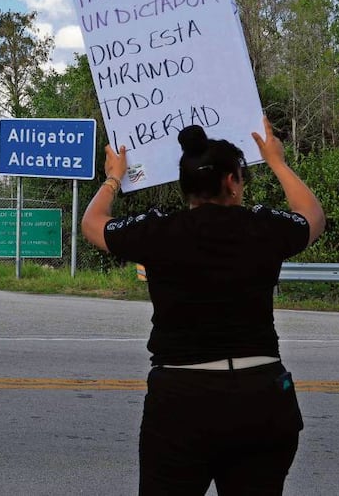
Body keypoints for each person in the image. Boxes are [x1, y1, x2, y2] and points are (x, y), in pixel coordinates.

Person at [81, 116, 325, 496]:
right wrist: (277, 161)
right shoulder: (262, 226)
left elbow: (93, 223)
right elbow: (312, 217)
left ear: (185, 188)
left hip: (181, 400)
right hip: (261, 396)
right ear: (232, 181)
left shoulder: (159, 230)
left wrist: (114, 177)